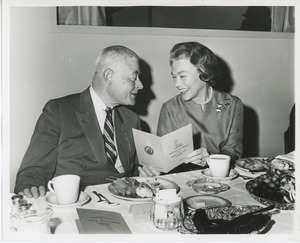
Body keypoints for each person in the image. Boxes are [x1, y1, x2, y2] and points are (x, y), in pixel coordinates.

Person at [15, 45, 158, 198]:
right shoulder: (59, 111)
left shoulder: (131, 119)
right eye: (134, 77)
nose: (140, 85)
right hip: (78, 205)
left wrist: (145, 172)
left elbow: (133, 171)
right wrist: (31, 190)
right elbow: (32, 173)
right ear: (109, 76)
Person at [157, 42, 243, 170]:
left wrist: (210, 158)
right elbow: (164, 161)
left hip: (219, 175)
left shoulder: (232, 105)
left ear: (204, 73)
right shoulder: (169, 109)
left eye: (182, 76)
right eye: (174, 77)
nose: (176, 83)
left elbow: (234, 152)